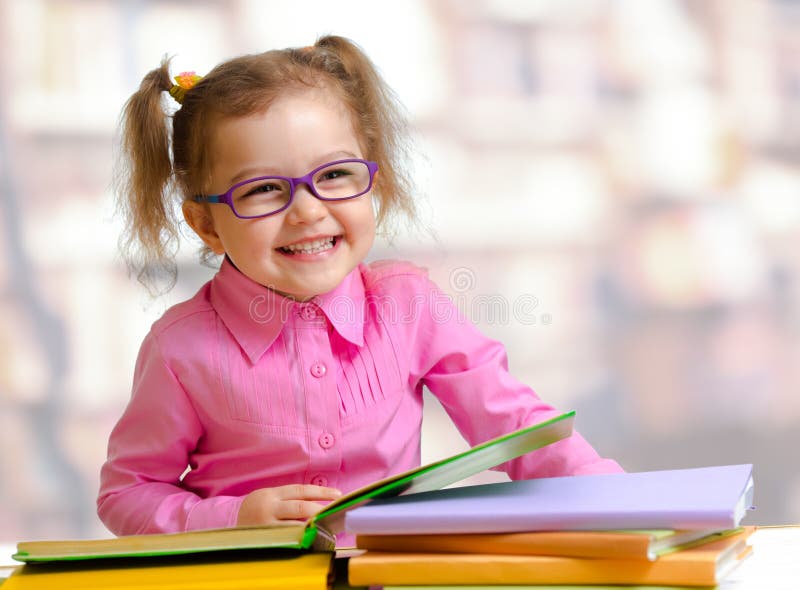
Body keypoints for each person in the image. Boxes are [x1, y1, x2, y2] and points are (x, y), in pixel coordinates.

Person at [97, 35, 622, 541]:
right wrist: (234, 516)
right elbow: (126, 494)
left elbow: (515, 424)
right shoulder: (179, 349)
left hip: (389, 572)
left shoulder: (408, 305)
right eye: (262, 189)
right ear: (206, 224)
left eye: (334, 175)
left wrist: (612, 499)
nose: (307, 210)